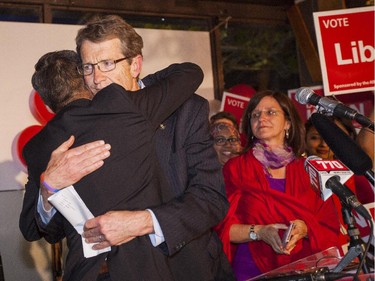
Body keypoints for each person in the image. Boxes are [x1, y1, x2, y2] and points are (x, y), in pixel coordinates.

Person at [20, 15, 234, 281]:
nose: (97, 78)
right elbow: (47, 231)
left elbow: (210, 199)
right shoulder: (72, 131)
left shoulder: (186, 109)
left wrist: (142, 221)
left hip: (181, 267)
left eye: (108, 63)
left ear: (135, 65)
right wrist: (48, 186)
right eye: (88, 67)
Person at [215, 90, 341, 280]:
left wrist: (306, 229)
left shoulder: (309, 170)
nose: (261, 118)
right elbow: (222, 227)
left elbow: (330, 228)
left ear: (288, 123)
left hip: (305, 268)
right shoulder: (236, 168)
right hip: (252, 269)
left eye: (270, 112)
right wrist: (258, 232)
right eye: (255, 114)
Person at [305, 115, 374, 204]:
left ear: (349, 137)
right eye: (315, 137)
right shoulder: (294, 172)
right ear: (305, 138)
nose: (324, 144)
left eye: (333, 139)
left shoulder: (358, 174)